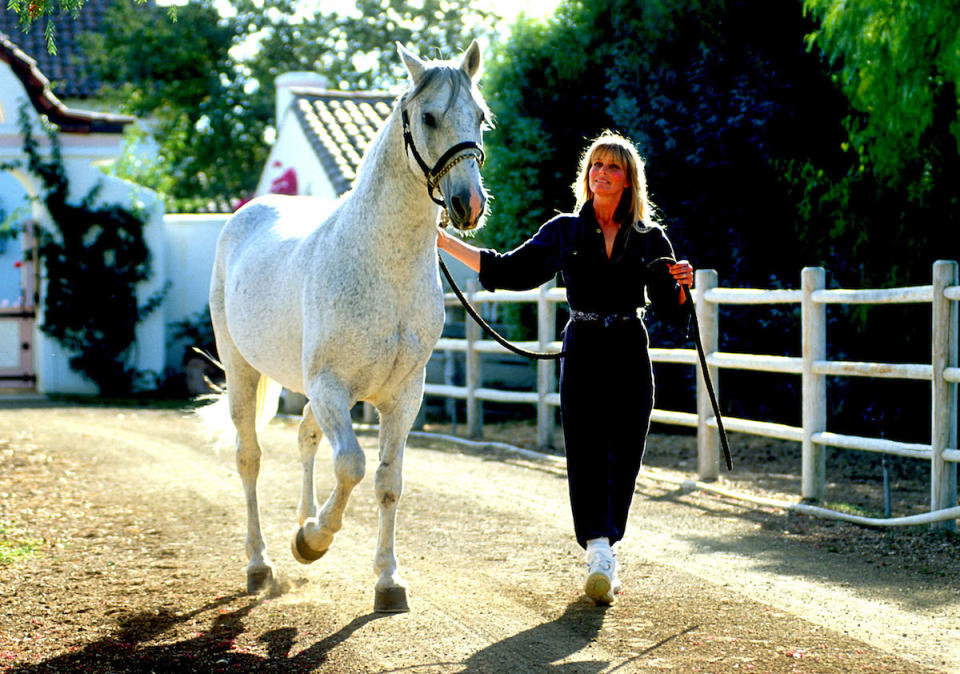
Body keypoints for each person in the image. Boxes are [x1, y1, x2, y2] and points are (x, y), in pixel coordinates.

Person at [437, 131, 694, 605]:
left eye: (613, 167)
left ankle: (607, 546)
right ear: (587, 175)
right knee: (587, 451)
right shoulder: (564, 230)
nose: (602, 173)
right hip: (583, 347)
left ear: (628, 179)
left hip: (630, 349)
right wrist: (442, 240)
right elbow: (507, 269)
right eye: (596, 165)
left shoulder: (650, 237)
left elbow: (672, 308)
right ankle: (598, 551)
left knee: (626, 455)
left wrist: (681, 283)